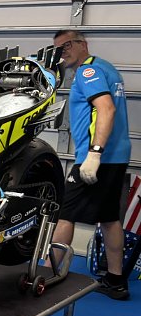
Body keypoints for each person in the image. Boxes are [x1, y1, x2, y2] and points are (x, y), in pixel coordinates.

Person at [51, 29, 132, 300]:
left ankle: (50, 275)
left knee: (65, 214)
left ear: (82, 44)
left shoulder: (88, 72)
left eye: (67, 46)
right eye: (58, 49)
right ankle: (116, 280)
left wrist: (94, 154)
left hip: (96, 159)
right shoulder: (106, 68)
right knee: (109, 218)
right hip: (116, 156)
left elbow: (106, 109)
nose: (63, 52)